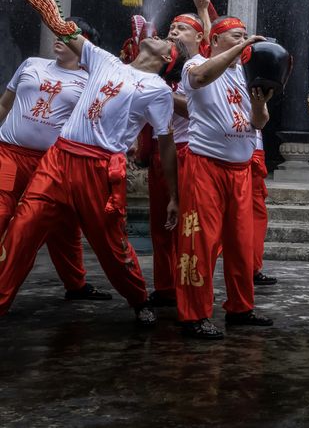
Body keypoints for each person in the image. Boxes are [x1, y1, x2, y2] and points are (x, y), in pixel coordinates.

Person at [0, 24, 185, 325]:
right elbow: (64, 29)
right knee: (22, 227)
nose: (159, 37)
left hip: (99, 168)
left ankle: (138, 297)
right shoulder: (104, 60)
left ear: (168, 57)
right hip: (59, 157)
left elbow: (166, 145)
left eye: (165, 41)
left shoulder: (159, 90)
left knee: (111, 247)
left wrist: (173, 196)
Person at [0, 19, 110, 302]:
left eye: (69, 34)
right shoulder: (31, 64)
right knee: (1, 212)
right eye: (59, 32)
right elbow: (4, 104)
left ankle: (76, 285)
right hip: (9, 154)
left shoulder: (91, 83)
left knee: (64, 224)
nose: (59, 37)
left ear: (84, 45)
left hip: (53, 163)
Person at [176, 16, 272, 339]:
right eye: (236, 36)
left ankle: (241, 308)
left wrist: (259, 105)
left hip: (240, 170)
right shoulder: (195, 65)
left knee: (241, 244)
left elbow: (259, 123)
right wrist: (243, 48)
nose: (244, 41)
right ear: (215, 40)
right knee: (200, 242)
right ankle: (194, 315)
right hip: (205, 166)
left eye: (245, 36)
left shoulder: (246, 74)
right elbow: (202, 78)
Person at [143, 0, 213, 308]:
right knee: (160, 225)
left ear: (198, 38)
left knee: (190, 226)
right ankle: (165, 287)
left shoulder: (200, 67)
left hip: (189, 152)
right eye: (171, 27)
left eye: (181, 28)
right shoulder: (159, 66)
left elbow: (194, 110)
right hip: (162, 152)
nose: (173, 31)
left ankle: (192, 286)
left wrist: (203, 10)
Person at [250, 129, 276, 286]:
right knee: (255, 217)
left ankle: (252, 267)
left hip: (249, 153)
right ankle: (251, 268)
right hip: (248, 155)